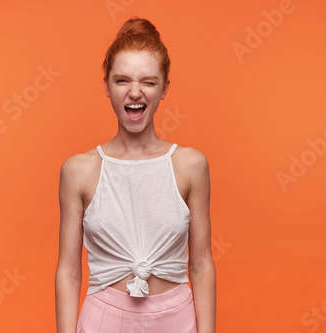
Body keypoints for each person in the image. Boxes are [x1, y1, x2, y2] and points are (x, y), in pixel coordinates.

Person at [55, 17, 216, 333]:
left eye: (148, 81)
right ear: (106, 85)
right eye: (122, 80)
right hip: (103, 322)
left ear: (165, 88)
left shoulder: (190, 166)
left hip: (178, 320)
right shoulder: (78, 171)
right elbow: (68, 272)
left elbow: (201, 265)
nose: (135, 92)